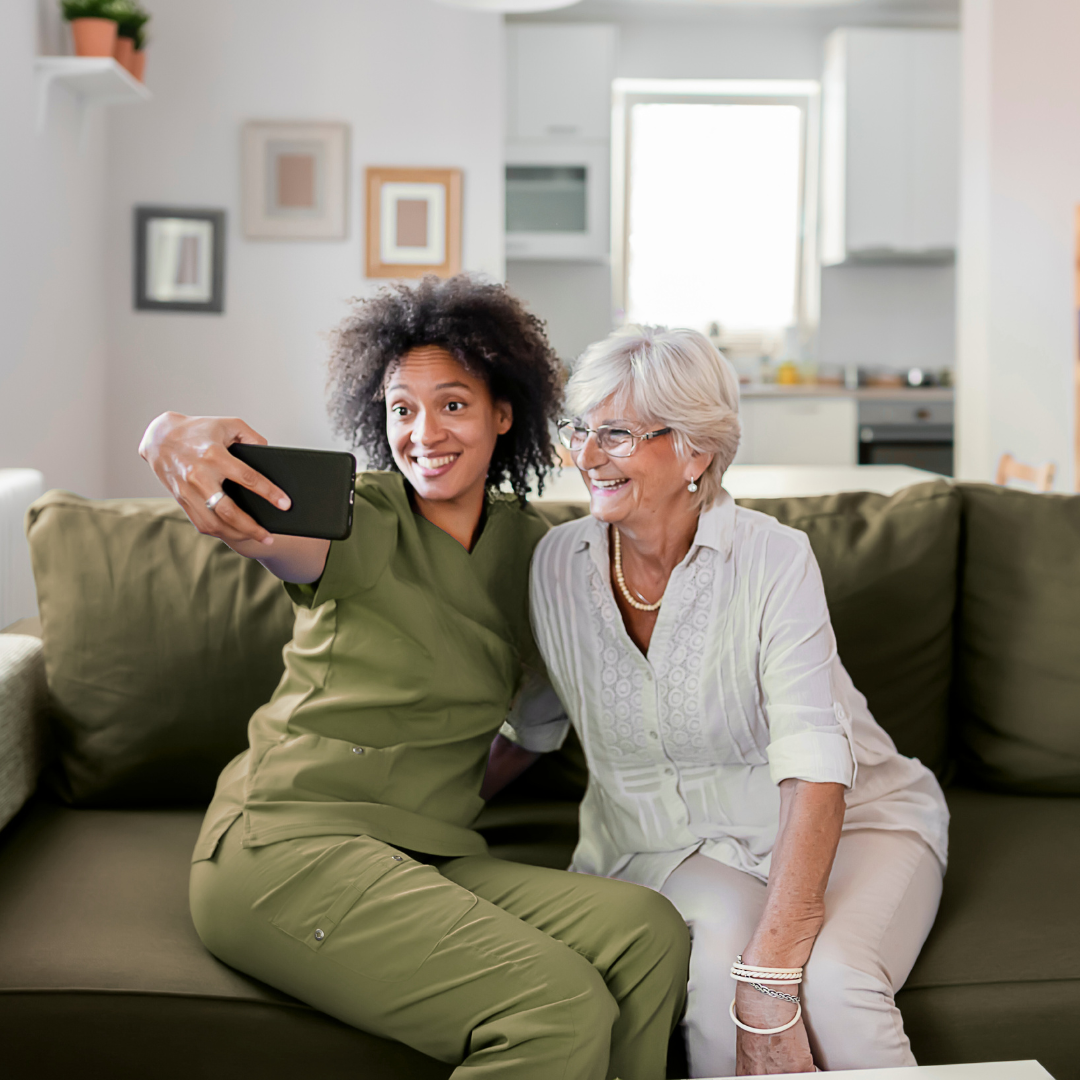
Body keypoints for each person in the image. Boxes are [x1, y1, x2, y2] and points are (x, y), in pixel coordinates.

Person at [138, 277, 689, 1080]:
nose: (422, 433)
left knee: (647, 932)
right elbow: (254, 522)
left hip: (426, 853)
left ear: (505, 413)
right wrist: (166, 434)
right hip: (287, 846)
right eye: (402, 409)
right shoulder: (356, 517)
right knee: (556, 1003)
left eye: (453, 405)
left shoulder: (534, 551)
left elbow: (546, 713)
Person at [487, 324, 950, 1077]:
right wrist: (411, 818)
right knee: (716, 989)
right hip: (667, 845)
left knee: (832, 986)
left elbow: (814, 762)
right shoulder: (556, 566)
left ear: (695, 450)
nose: (587, 455)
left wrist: (776, 969)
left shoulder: (773, 560)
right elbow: (535, 723)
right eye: (580, 428)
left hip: (859, 819)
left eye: (617, 433)